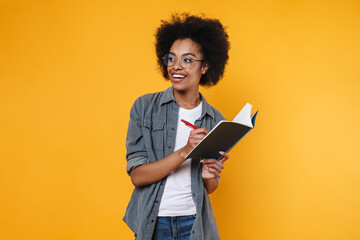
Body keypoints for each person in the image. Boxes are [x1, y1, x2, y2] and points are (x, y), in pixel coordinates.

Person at [124, 13, 230, 240]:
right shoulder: (144, 108)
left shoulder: (215, 120)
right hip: (154, 223)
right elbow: (137, 176)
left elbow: (210, 188)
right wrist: (185, 152)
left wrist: (209, 175)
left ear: (205, 67)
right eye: (171, 59)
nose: (176, 67)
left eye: (187, 60)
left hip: (195, 223)